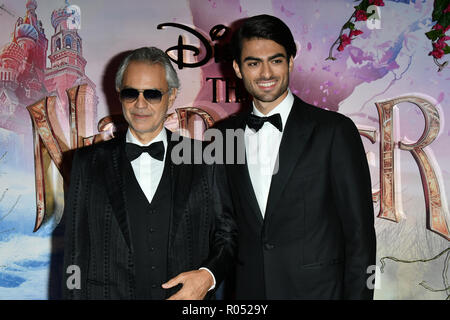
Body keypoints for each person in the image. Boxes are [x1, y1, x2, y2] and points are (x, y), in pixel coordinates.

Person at [215, 14, 376, 299]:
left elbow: (360, 236)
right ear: (238, 69)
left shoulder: (334, 132)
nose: (266, 73)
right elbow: (225, 228)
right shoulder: (222, 136)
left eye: (275, 60)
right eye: (254, 63)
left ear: (290, 62)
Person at [62, 47, 236, 300]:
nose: (140, 104)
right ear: (119, 95)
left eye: (153, 94)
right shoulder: (86, 163)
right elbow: (75, 255)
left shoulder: (206, 159)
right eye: (131, 93)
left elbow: (228, 236)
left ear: (172, 95)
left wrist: (207, 277)